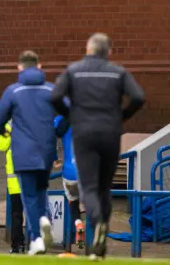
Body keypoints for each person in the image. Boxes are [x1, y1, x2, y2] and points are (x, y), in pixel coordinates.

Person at [50, 33, 145, 259]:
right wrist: (122, 116)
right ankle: (103, 230)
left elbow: (54, 97)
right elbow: (139, 97)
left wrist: (72, 115)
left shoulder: (74, 71)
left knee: (89, 187)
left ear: (88, 49)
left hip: (84, 133)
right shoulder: (118, 72)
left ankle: (97, 225)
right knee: (104, 187)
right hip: (111, 133)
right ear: (109, 52)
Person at [0, 50, 60, 255]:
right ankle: (45, 218)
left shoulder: (14, 91)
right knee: (41, 191)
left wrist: (3, 130)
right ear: (39, 66)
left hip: (23, 153)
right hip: (46, 151)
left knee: (28, 196)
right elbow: (69, 112)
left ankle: (37, 238)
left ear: (19, 67)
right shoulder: (51, 89)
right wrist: (57, 132)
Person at [0, 121, 26, 254]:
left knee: (16, 213)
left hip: (15, 178)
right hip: (34, 173)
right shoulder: (34, 119)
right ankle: (35, 241)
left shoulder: (9, 125)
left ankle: (17, 245)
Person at [56, 115, 86, 250]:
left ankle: (78, 223)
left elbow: (51, 136)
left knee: (73, 202)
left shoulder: (60, 120)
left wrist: (54, 158)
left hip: (69, 173)